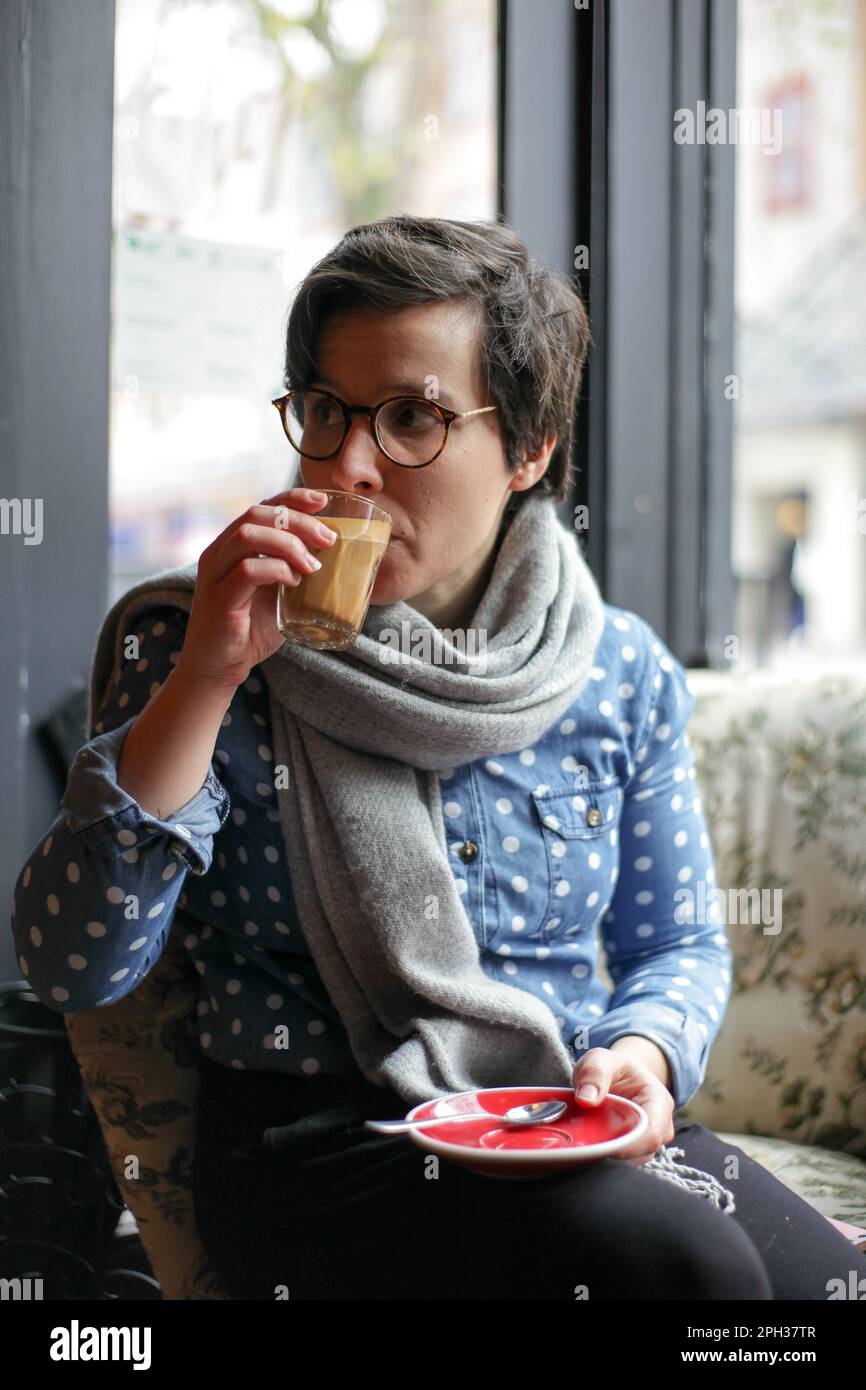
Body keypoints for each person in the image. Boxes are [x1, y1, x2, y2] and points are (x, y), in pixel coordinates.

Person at [11, 215, 865, 1301]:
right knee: (684, 1269)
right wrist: (205, 681)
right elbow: (71, 963)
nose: (347, 466)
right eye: (325, 411)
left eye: (410, 417)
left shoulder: (614, 671)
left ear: (528, 449)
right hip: (323, 1152)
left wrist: (640, 1056)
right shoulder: (202, 641)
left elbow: (679, 942)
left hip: (553, 1117)